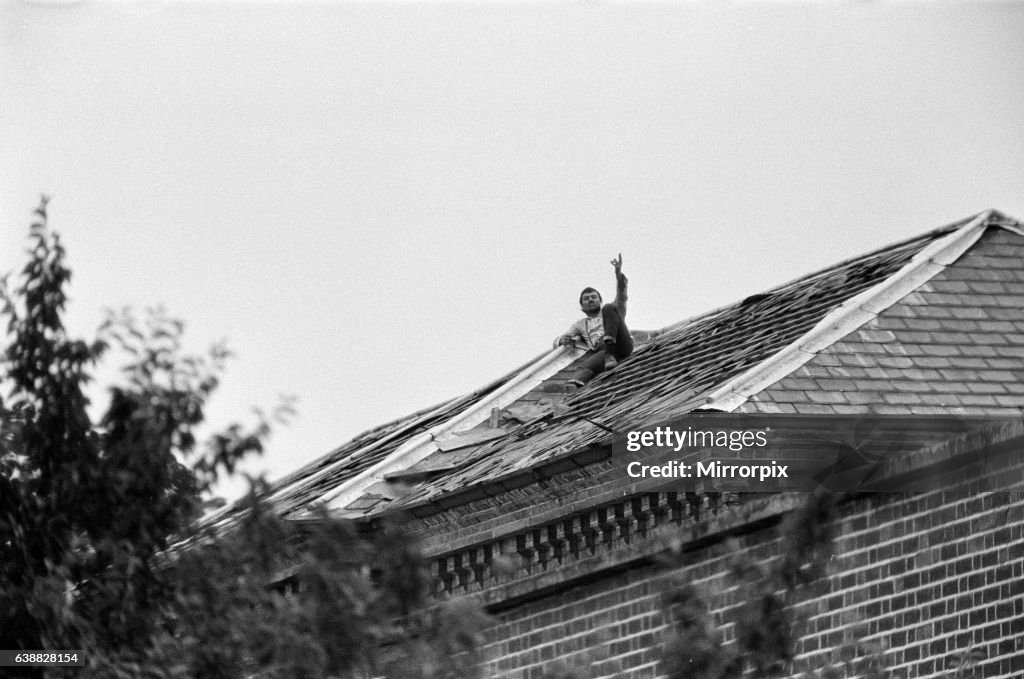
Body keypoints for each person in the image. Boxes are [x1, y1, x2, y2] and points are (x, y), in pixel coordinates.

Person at [557, 253, 634, 387]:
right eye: (586, 299)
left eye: (594, 297)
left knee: (609, 308)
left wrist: (618, 275)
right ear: (582, 305)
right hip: (603, 352)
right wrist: (561, 340)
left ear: (599, 300)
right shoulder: (580, 325)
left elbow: (621, 296)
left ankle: (610, 348)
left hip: (621, 344)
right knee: (585, 368)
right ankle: (573, 388)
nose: (591, 300)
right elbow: (564, 337)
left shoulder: (611, 311)